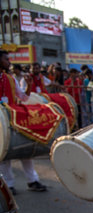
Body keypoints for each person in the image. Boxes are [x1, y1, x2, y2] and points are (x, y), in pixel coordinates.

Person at [0, 50, 47, 195]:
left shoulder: (11, 79)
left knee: (24, 151)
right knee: (3, 154)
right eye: (6, 59)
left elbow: (24, 98)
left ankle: (32, 180)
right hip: (1, 121)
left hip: (14, 118)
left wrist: (28, 86)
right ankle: (9, 185)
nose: (9, 62)